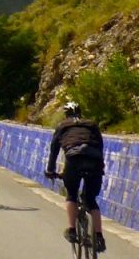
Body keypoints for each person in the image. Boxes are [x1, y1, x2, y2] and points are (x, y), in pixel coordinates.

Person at [46, 101, 106, 252]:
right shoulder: (91, 124)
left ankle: (72, 230)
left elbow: (54, 150)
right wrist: (100, 166)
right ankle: (99, 237)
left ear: (66, 114)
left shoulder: (62, 126)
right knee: (91, 200)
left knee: (72, 195)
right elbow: (100, 145)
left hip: (74, 160)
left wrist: (50, 170)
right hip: (94, 160)